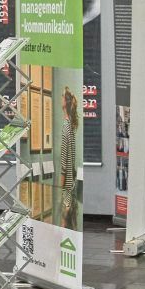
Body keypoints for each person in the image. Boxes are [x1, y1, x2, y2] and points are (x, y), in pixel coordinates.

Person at [59, 87, 80, 230]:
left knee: (64, 223)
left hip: (66, 183)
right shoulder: (71, 126)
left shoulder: (66, 126)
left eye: (62, 98)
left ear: (65, 103)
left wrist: (60, 184)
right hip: (71, 181)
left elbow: (64, 158)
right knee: (70, 222)